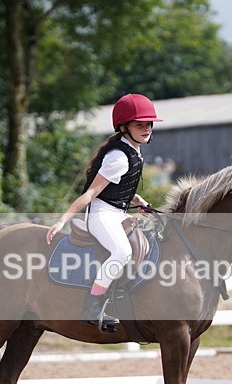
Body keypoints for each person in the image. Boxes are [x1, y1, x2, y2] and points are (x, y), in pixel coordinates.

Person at [46, 93, 162, 326]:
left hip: (117, 212)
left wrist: (137, 199)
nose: (146, 129)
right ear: (123, 127)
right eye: (139, 124)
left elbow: (119, 187)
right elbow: (90, 194)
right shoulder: (119, 157)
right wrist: (62, 220)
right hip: (101, 215)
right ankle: (93, 307)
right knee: (122, 251)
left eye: (149, 124)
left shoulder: (133, 149)